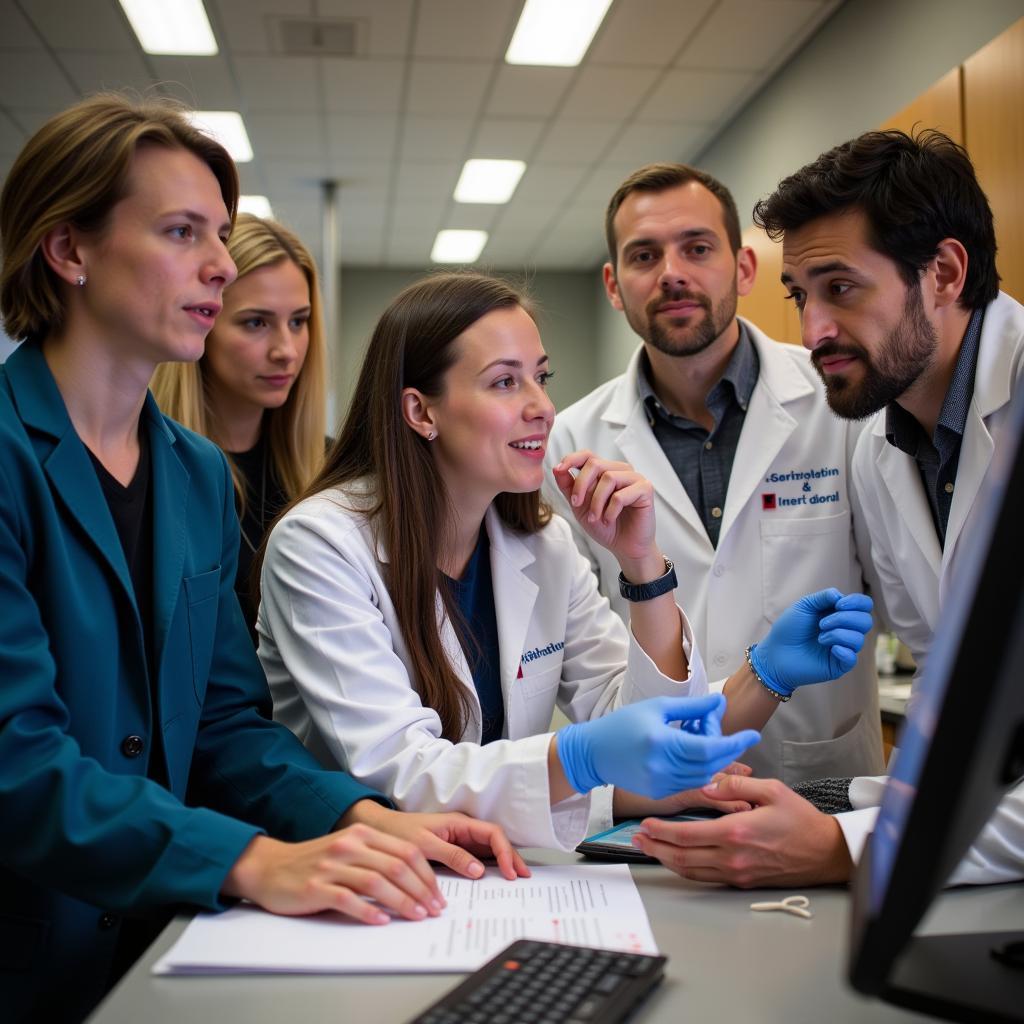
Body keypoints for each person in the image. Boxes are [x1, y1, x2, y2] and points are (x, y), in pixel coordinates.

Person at [0, 96, 524, 1024]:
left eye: (218, 233)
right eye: (180, 231)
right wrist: (251, 860)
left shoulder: (197, 475)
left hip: (157, 942)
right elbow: (19, 762)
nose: (215, 264)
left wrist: (360, 817)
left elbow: (224, 726)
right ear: (69, 251)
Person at [258, 270, 875, 851]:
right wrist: (581, 760)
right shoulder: (320, 545)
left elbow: (633, 723)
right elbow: (403, 776)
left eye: (541, 378)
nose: (543, 408)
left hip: (491, 872)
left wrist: (643, 566)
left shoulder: (540, 544)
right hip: (350, 879)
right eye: (505, 382)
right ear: (421, 411)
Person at [630, 129, 1024, 888]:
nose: (811, 333)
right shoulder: (883, 443)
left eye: (841, 288)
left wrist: (850, 848)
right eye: (800, 297)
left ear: (943, 272)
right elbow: (956, 693)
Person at [545, 163, 883, 785]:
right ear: (614, 286)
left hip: (820, 781)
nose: (671, 272)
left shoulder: (840, 402)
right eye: (644, 255)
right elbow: (582, 654)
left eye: (697, 248)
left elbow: (899, 594)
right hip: (655, 798)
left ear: (745, 268)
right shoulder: (571, 442)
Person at [152, 213, 326, 637]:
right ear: (204, 319)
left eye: (298, 322)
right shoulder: (152, 467)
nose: (286, 350)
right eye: (256, 323)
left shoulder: (329, 467)